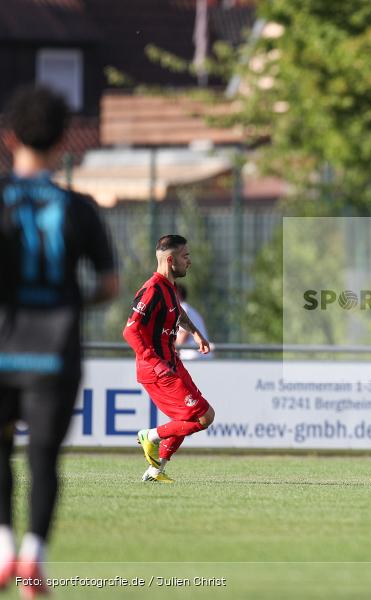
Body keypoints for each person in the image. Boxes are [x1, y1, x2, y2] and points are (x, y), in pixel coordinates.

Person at [0, 86, 118, 595]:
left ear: (10, 137)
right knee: (44, 459)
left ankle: (3, 549)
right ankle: (34, 555)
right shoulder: (80, 207)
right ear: (64, 141)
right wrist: (71, 303)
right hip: (55, 352)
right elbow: (109, 285)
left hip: (2, 348)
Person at [123, 234, 215, 483]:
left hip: (172, 363)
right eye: (186, 256)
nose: (189, 261)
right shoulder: (152, 289)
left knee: (186, 417)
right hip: (157, 369)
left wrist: (195, 333)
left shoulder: (169, 287)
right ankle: (149, 436)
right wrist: (154, 362)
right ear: (171, 260)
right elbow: (130, 331)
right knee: (204, 417)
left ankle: (156, 471)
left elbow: (178, 312)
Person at [175, 284, 213, 360]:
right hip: (200, 356)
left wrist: (173, 353)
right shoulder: (190, 309)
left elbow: (183, 335)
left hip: (192, 356)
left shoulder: (183, 308)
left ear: (177, 293)